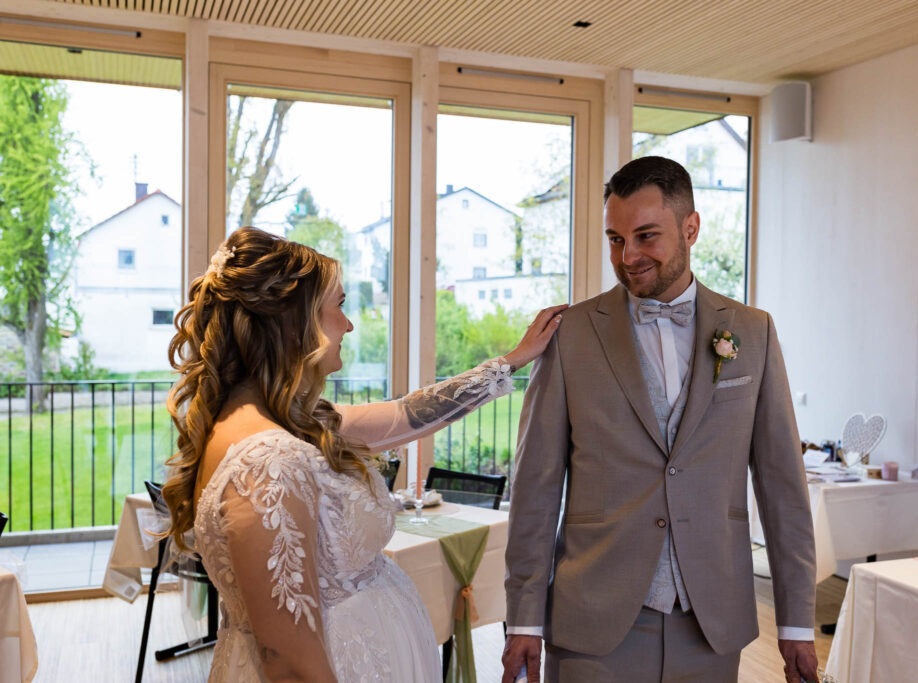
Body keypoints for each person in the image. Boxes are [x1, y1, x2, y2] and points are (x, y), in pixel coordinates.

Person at [161, 226, 565, 681]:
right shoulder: (269, 461)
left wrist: (510, 362)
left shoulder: (291, 420)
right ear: (295, 320)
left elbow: (407, 415)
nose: (348, 324)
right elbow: (290, 663)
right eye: (339, 305)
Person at [501, 156, 818, 683]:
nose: (629, 256)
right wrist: (525, 617)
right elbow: (536, 487)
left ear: (691, 228)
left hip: (711, 622)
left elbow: (783, 486)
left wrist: (799, 624)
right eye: (615, 239)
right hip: (593, 624)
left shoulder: (753, 332)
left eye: (646, 236)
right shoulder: (572, 334)